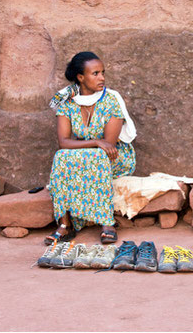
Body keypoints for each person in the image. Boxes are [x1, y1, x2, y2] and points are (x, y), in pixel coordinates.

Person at [44, 51, 136, 245]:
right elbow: (64, 142)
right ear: (80, 77)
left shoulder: (111, 100)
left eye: (103, 72)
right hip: (85, 153)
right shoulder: (67, 103)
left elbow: (109, 146)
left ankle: (106, 222)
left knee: (97, 157)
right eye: (95, 73)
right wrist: (96, 141)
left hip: (114, 157)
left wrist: (99, 144)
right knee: (61, 156)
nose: (102, 78)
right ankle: (64, 224)